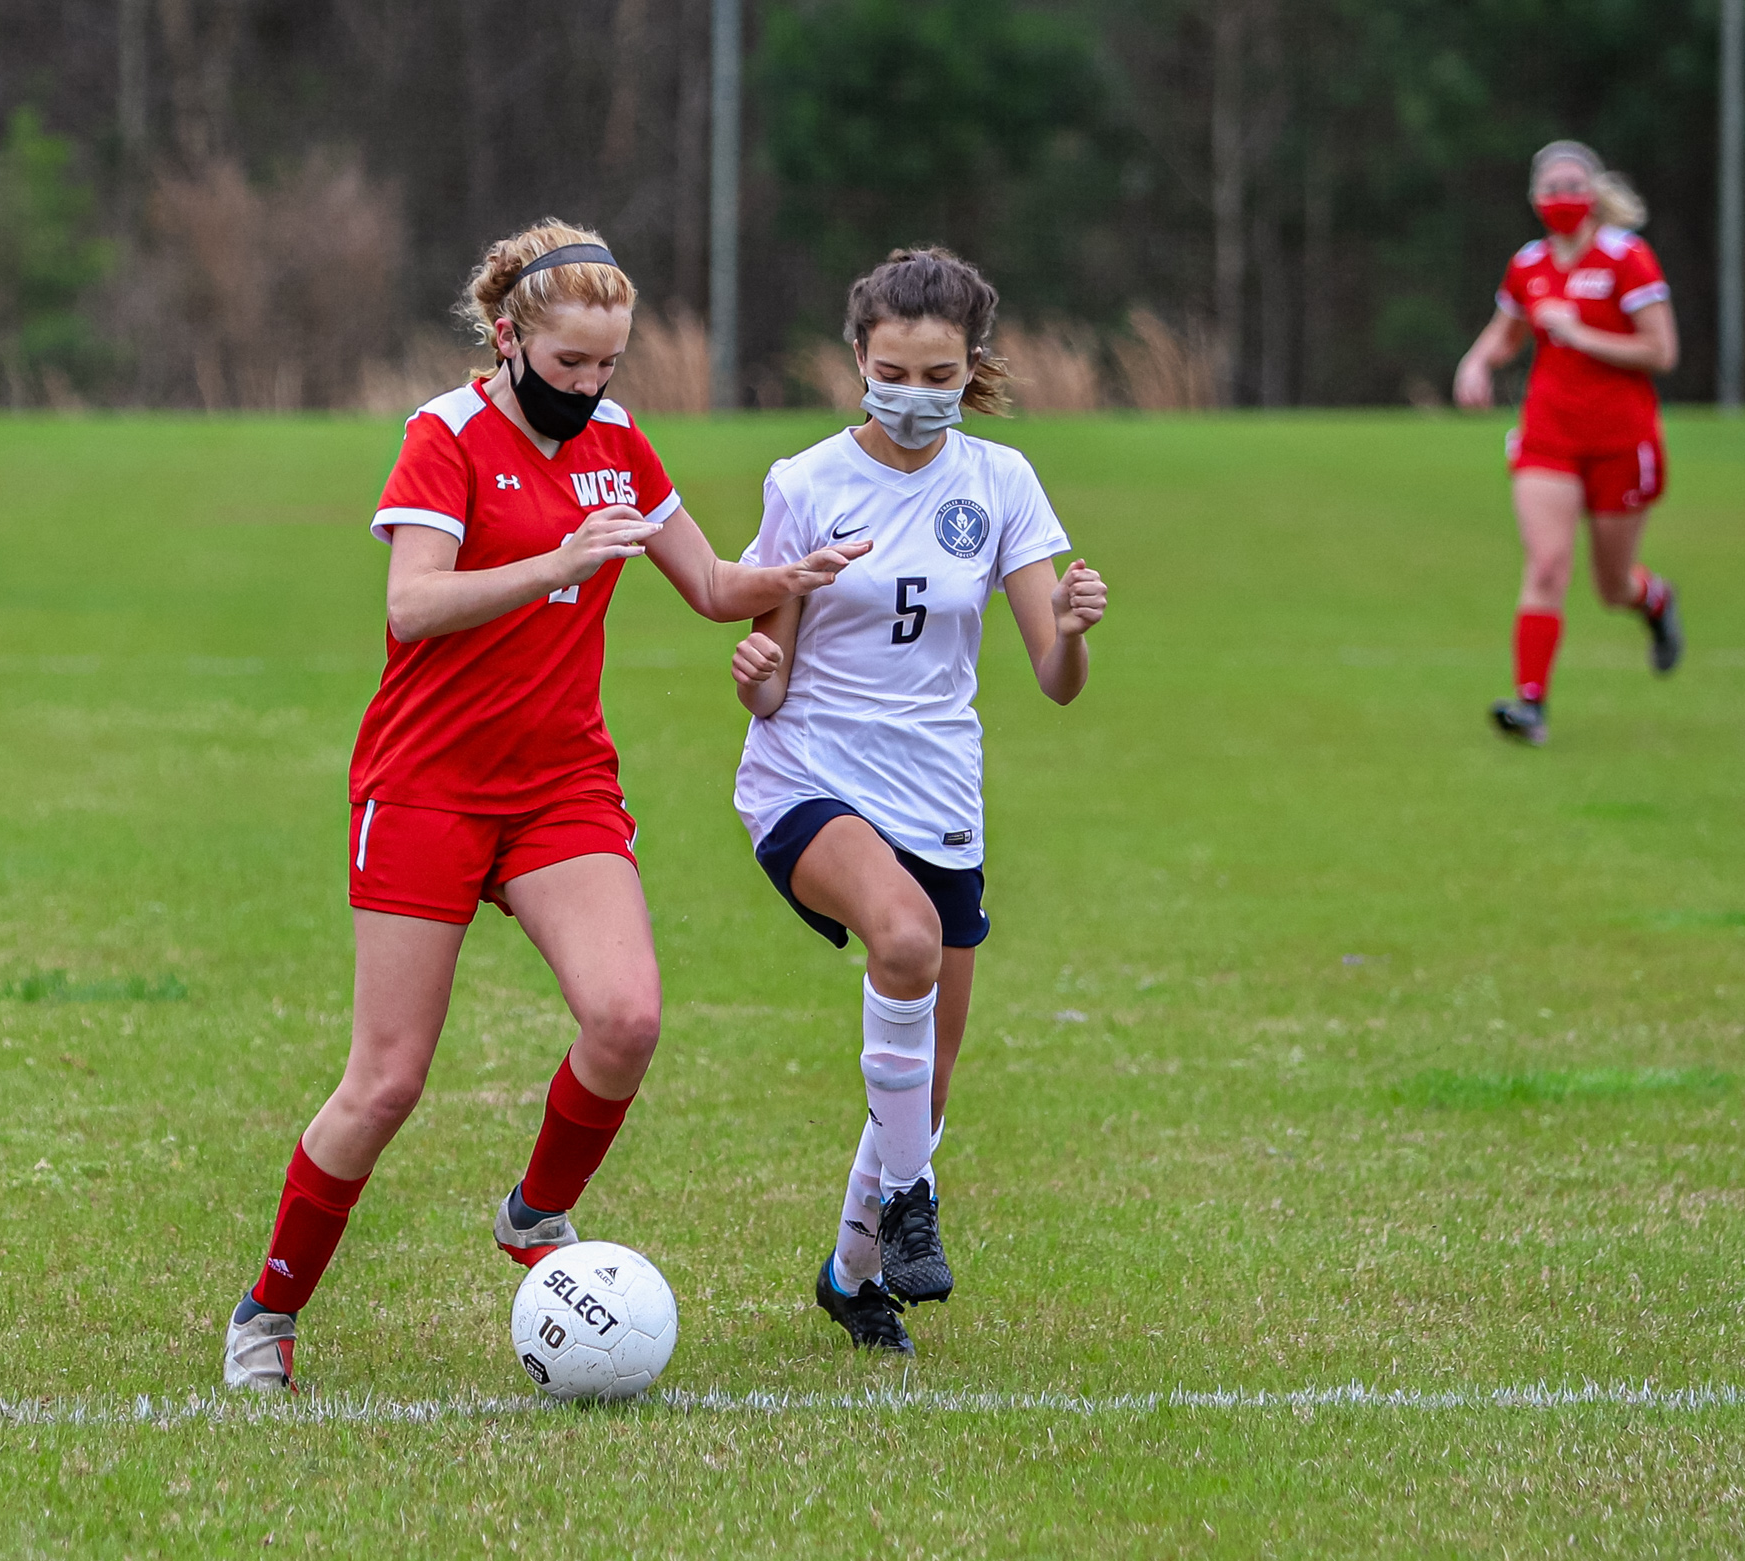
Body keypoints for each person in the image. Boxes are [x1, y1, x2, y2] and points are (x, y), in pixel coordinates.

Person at [222, 220, 869, 1393]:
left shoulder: (618, 440)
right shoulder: (446, 435)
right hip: (424, 785)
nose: (590, 385)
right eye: (569, 363)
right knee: (387, 1080)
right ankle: (268, 1310)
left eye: (608, 363)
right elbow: (413, 605)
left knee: (625, 1019)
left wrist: (794, 577)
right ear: (511, 335)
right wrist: (559, 562)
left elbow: (712, 586)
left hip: (559, 781)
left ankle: (535, 1212)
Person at [729, 248, 1107, 1354]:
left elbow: (1052, 676)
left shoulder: (999, 484)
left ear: (970, 367)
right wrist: (754, 676)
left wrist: (1074, 633)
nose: (912, 390)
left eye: (937, 372)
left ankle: (853, 1275)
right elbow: (773, 672)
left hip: (938, 791)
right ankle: (909, 1204)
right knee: (901, 939)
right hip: (809, 776)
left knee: (926, 1087)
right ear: (858, 358)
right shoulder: (803, 483)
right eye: (891, 367)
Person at [1453, 140, 1683, 746]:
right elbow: (1507, 335)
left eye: (1573, 186)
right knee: (1548, 565)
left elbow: (1661, 352)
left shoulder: (1626, 258)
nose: (1563, 198)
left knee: (1612, 586)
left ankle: (1654, 600)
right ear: (1535, 199)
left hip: (1620, 441)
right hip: (1549, 436)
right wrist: (1477, 363)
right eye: (1551, 189)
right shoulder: (1528, 264)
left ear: (1594, 192)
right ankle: (1531, 706)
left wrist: (1580, 334)